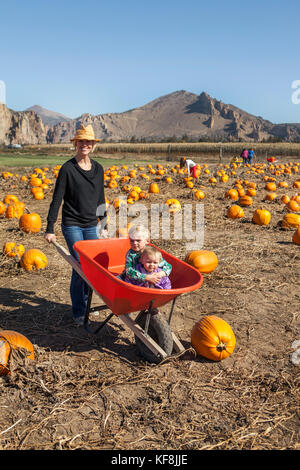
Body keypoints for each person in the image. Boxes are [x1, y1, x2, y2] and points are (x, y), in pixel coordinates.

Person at [44, 124, 107, 326]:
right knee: (80, 266)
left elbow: (100, 198)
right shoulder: (67, 169)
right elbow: (57, 199)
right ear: (76, 144)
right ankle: (79, 311)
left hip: (91, 225)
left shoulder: (98, 169)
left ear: (93, 145)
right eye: (81, 142)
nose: (84, 145)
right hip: (72, 224)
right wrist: (49, 228)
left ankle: (87, 303)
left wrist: (104, 224)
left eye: (88, 142)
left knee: (92, 267)